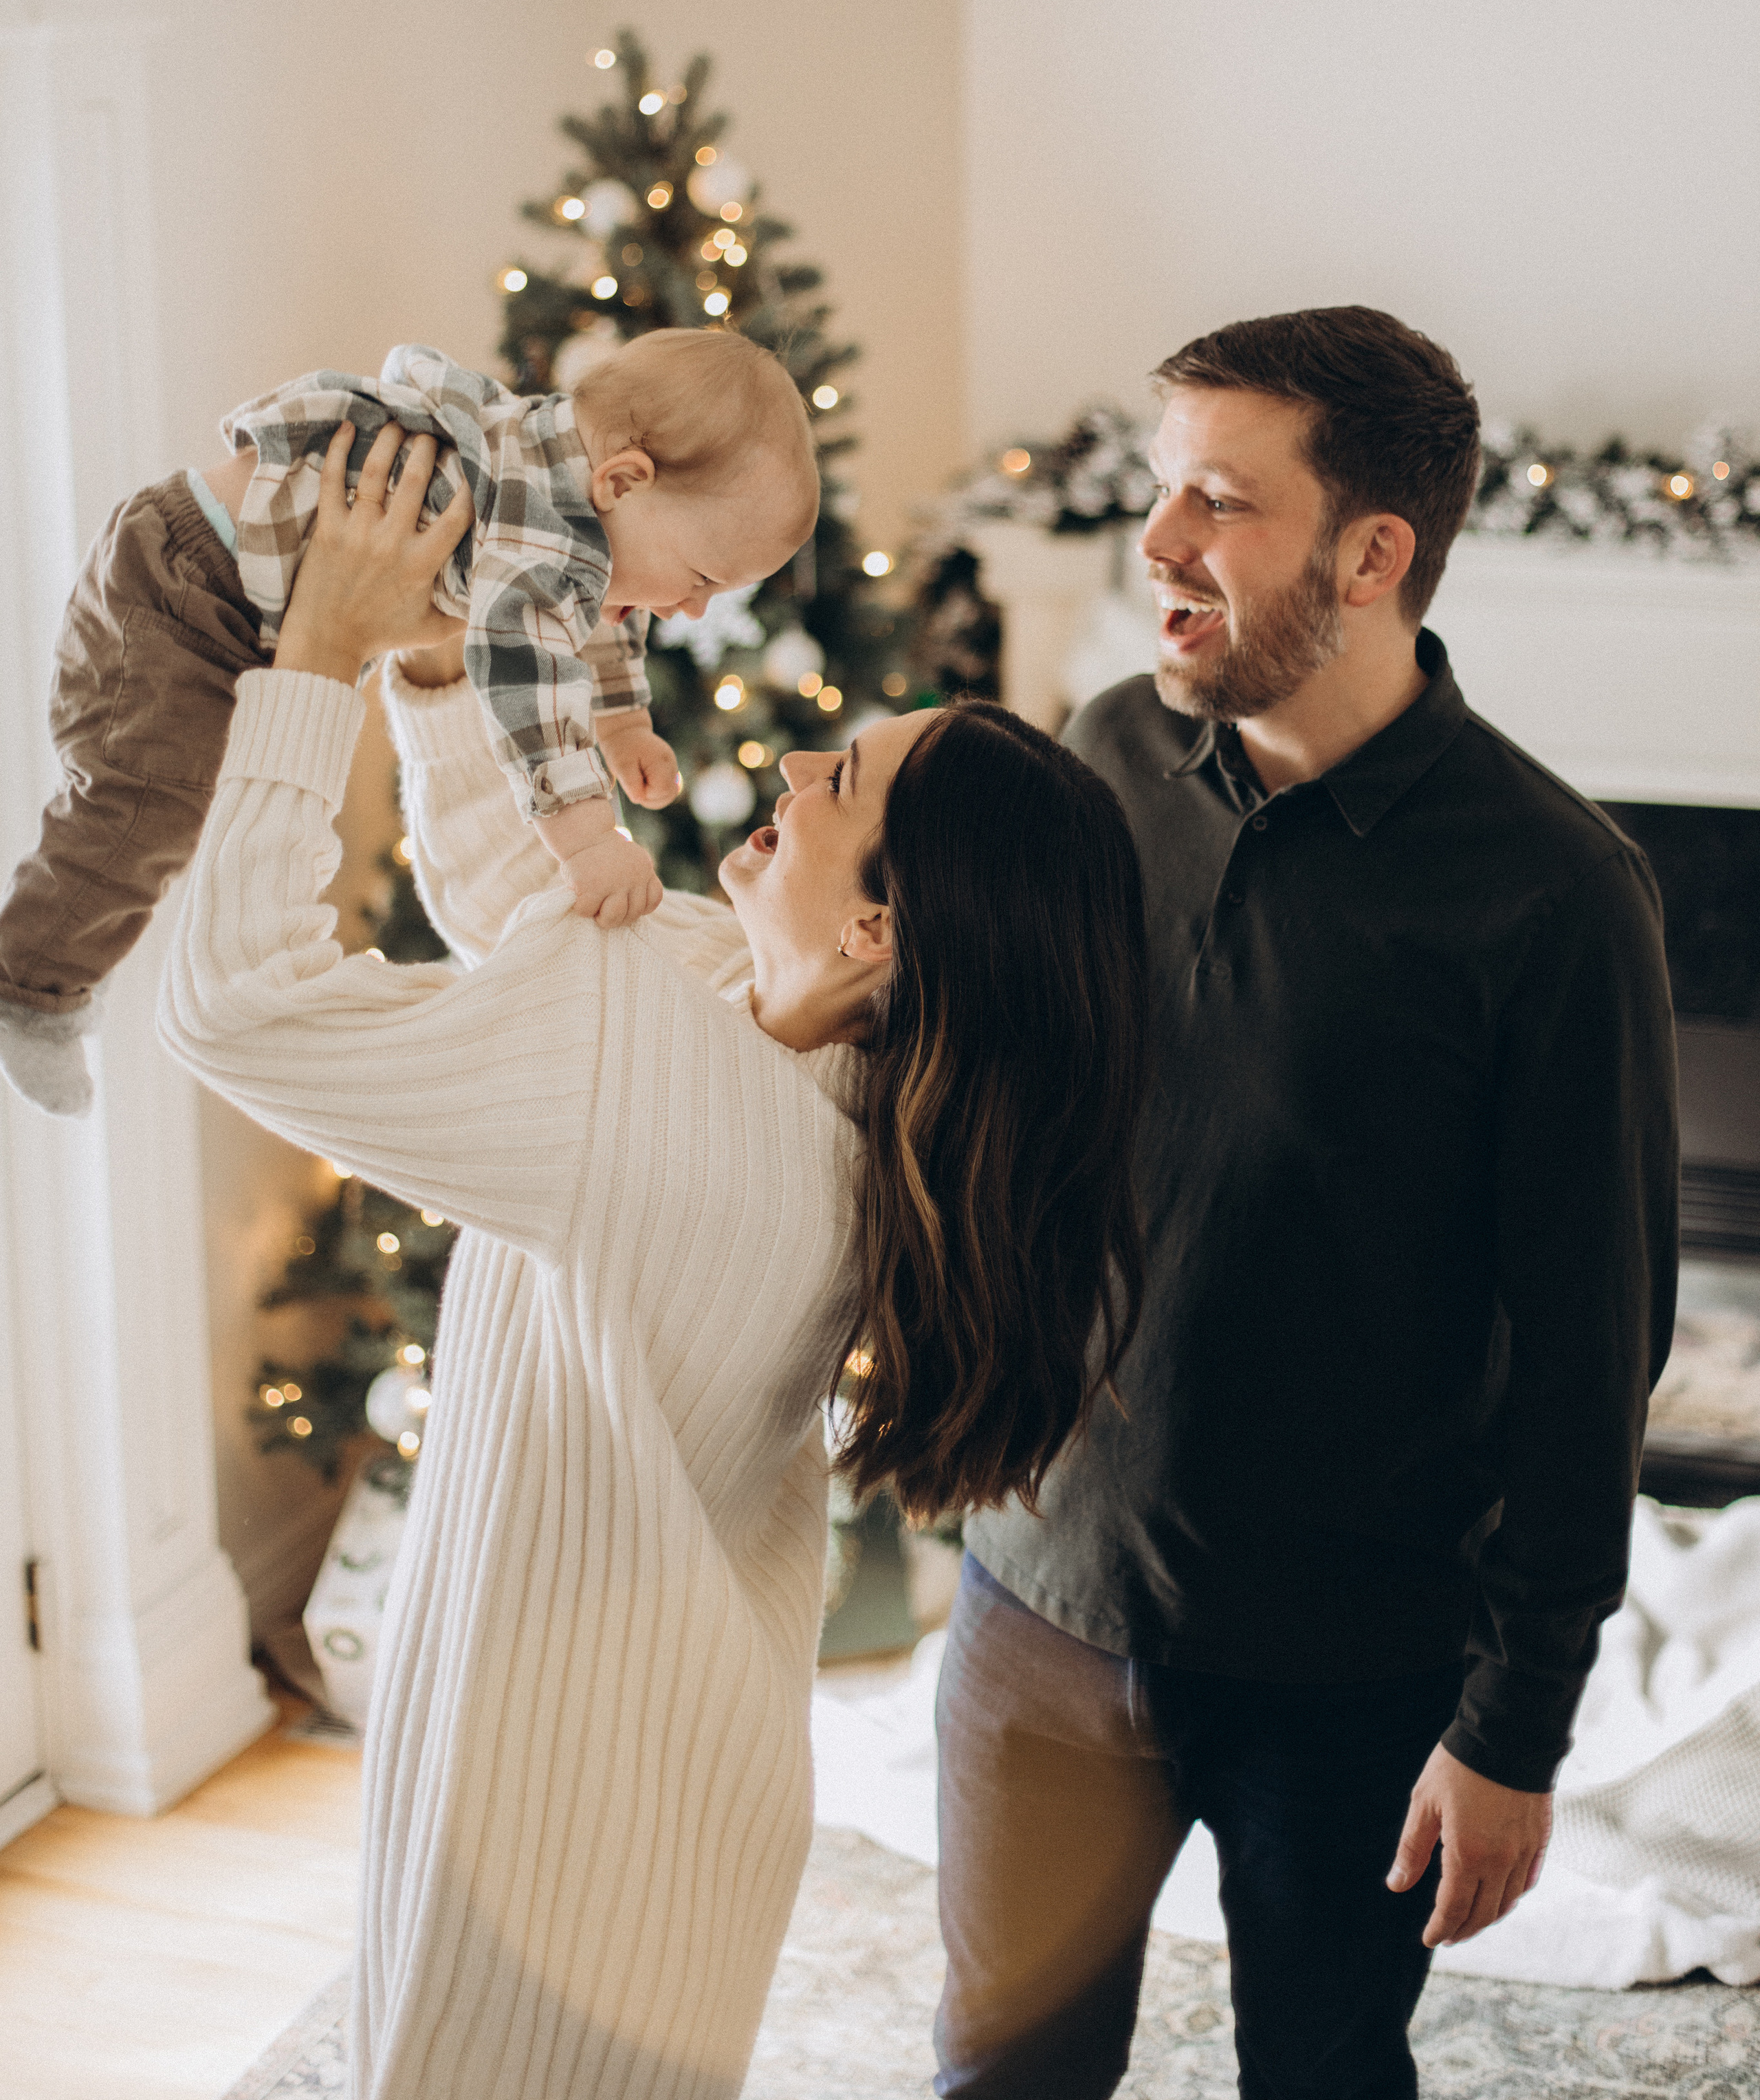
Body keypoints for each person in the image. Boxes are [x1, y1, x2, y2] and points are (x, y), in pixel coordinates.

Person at [156, 416, 1149, 2100]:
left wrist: (315, 656)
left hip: (543, 1815)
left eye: (838, 783)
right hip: (670, 1772)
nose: (786, 772)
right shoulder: (806, 1057)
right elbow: (521, 902)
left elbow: (232, 1000)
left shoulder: (661, 1091)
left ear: (877, 926)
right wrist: (431, 658)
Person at [936, 306, 1679, 2100]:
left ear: (1373, 553)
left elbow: (1594, 1350)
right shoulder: (1102, 754)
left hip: (1350, 1680)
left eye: (1218, 500)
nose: (1157, 545)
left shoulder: (1561, 895)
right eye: (1159, 487)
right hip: (1035, 1615)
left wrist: (1515, 1731)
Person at [0, 325, 818, 1117]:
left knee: (173, 798)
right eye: (702, 576)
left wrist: (622, 724)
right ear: (625, 481)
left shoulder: (568, 493)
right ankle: (27, 989)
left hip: (214, 576)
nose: (693, 608)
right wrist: (587, 839)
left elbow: (600, 617)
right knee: (143, 810)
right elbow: (526, 679)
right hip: (191, 586)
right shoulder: (540, 537)